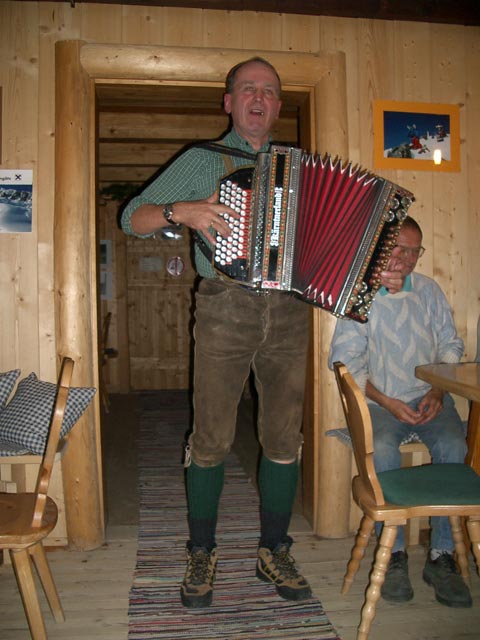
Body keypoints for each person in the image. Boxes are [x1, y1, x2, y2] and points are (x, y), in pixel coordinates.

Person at [121, 57, 313, 609]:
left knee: (282, 436)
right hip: (226, 305)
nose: (259, 96)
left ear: (278, 105)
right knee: (211, 437)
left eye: (270, 91)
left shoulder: (299, 166)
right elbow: (132, 216)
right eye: (247, 88)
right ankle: (201, 550)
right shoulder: (202, 160)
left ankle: (273, 549)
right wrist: (182, 211)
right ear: (228, 102)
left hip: (291, 308)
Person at [328, 215, 472, 609]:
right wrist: (387, 401)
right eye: (400, 249)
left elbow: (450, 344)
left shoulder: (428, 290)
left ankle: (441, 556)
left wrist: (438, 390)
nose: (407, 260)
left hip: (431, 397)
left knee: (452, 445)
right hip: (380, 401)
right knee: (384, 452)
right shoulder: (360, 294)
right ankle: (394, 555)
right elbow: (344, 362)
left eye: (415, 251)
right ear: (381, 247)